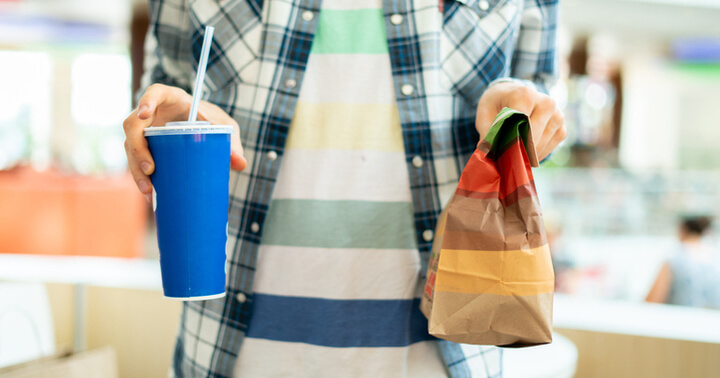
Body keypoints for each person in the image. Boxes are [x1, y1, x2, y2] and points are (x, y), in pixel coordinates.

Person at [123, 0, 566, 376]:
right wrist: (165, 118)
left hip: (444, 353)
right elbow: (168, 83)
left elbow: (539, 85)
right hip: (230, 350)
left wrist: (521, 108)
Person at [646, 216, 720, 309]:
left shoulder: (674, 258)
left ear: (683, 229)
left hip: (681, 320)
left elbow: (651, 302)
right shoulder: (716, 257)